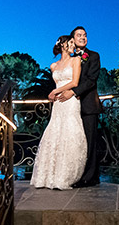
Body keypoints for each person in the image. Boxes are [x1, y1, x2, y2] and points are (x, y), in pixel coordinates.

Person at [30, 36, 87, 190]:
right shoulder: (53, 66)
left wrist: (55, 91)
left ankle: (65, 175)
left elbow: (75, 82)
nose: (73, 47)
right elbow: (58, 81)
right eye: (70, 44)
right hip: (58, 104)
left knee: (70, 132)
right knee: (55, 131)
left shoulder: (76, 61)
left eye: (73, 45)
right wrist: (55, 93)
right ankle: (49, 175)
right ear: (63, 45)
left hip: (70, 101)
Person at [55, 26, 101, 187]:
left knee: (89, 142)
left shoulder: (94, 56)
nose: (83, 37)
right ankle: (75, 174)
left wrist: (73, 92)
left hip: (88, 105)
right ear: (73, 39)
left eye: (85, 35)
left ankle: (90, 178)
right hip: (70, 108)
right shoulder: (71, 57)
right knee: (76, 142)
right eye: (79, 35)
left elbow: (91, 80)